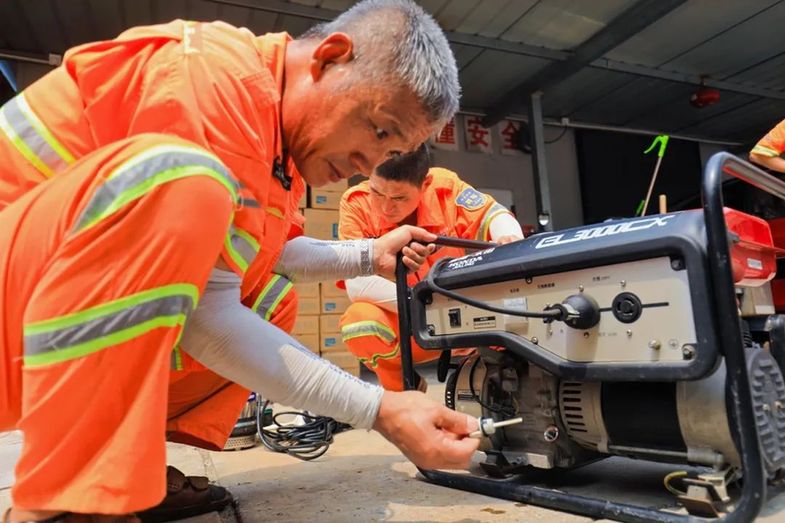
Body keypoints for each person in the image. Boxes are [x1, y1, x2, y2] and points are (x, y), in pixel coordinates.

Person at [0, 1, 481, 521]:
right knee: (180, 183)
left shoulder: (281, 149)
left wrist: (368, 254)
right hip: (15, 302)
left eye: (391, 153)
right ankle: (69, 498)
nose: (369, 163)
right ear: (330, 59)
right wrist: (378, 409)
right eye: (380, 130)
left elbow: (261, 256)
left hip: (32, 326)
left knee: (271, 297)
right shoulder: (209, 83)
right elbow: (209, 310)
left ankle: (130, 470)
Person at [338, 144, 523, 391]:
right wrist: (423, 304)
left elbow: (494, 215)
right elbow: (357, 284)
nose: (385, 207)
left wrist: (510, 242)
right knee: (359, 322)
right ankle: (405, 392)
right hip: (413, 325)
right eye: (377, 193)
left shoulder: (445, 187)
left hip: (465, 315)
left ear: (424, 186)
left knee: (520, 313)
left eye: (399, 198)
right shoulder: (355, 204)